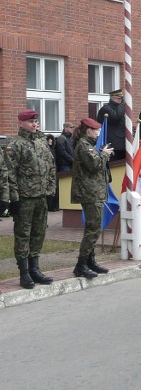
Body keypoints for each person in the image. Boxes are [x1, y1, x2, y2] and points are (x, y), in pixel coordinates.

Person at [4, 109, 57, 289]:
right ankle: (24, 272)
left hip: (41, 196)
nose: (34, 124)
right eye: (30, 121)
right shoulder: (15, 145)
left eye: (36, 121)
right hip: (25, 198)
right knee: (23, 235)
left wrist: (51, 191)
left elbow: (51, 167)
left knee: (39, 233)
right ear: (20, 123)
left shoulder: (42, 142)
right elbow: (10, 174)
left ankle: (35, 269)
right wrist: (14, 199)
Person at [70, 118, 114, 279]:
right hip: (89, 192)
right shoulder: (84, 145)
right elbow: (94, 166)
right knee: (93, 228)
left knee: (94, 227)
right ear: (89, 130)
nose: (98, 133)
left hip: (94, 191)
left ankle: (90, 260)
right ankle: (81, 265)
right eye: (96, 130)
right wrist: (104, 154)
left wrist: (101, 152)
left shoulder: (89, 146)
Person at [97, 89, 126, 161]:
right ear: (112, 98)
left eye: (121, 99)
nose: (120, 100)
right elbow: (116, 117)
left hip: (122, 141)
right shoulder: (106, 108)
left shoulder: (119, 108)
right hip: (114, 143)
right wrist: (122, 104)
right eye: (119, 99)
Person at [45, 134, 60, 211]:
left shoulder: (53, 149)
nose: (50, 141)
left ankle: (54, 206)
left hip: (54, 171)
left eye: (52, 139)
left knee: (55, 189)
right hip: (48, 172)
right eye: (49, 139)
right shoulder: (46, 150)